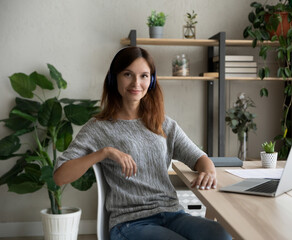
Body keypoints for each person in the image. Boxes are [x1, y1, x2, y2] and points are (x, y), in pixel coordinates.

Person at [53, 46, 232, 240]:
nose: (136, 83)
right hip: (130, 223)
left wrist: (209, 171)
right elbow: (59, 177)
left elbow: (199, 158)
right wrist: (104, 153)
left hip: (172, 214)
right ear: (114, 79)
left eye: (144, 76)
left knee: (221, 234)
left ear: (152, 80)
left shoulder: (163, 123)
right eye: (128, 74)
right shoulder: (98, 128)